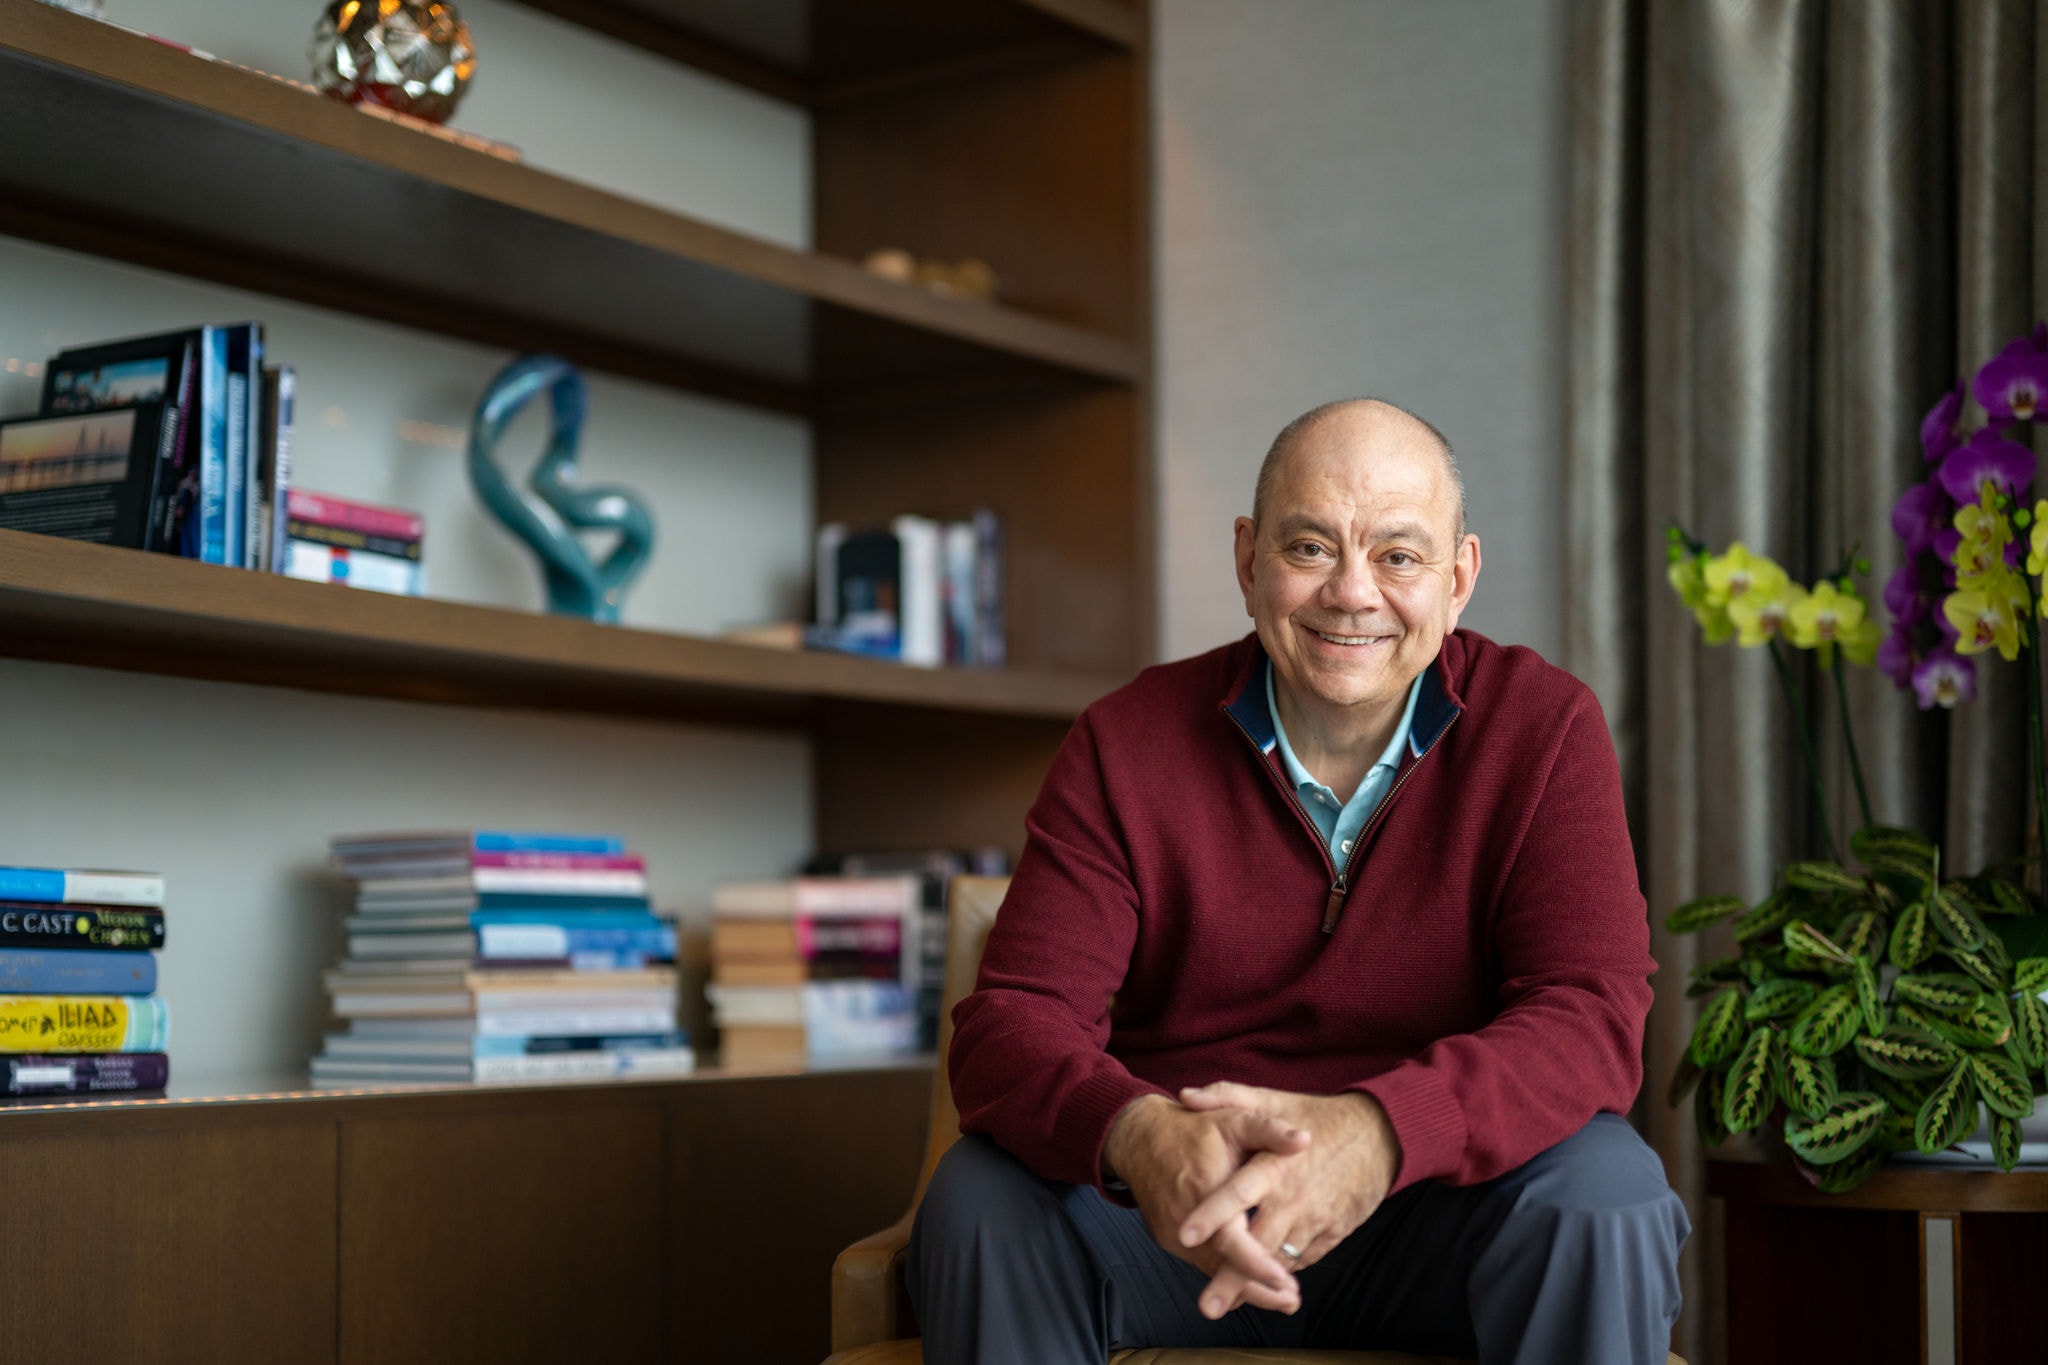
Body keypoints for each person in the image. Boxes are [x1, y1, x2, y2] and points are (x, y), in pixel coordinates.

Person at [906, 398, 1688, 1365]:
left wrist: (1381, 1133)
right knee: (982, 1194)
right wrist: (1136, 1133)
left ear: (1459, 578)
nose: (1352, 593)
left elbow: (1590, 1015)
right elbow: (1010, 1023)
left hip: (1439, 1218)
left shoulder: (1546, 728)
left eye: (1398, 556)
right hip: (1179, 1225)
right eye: (1310, 547)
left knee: (1606, 1189)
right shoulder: (1125, 740)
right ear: (1247, 559)